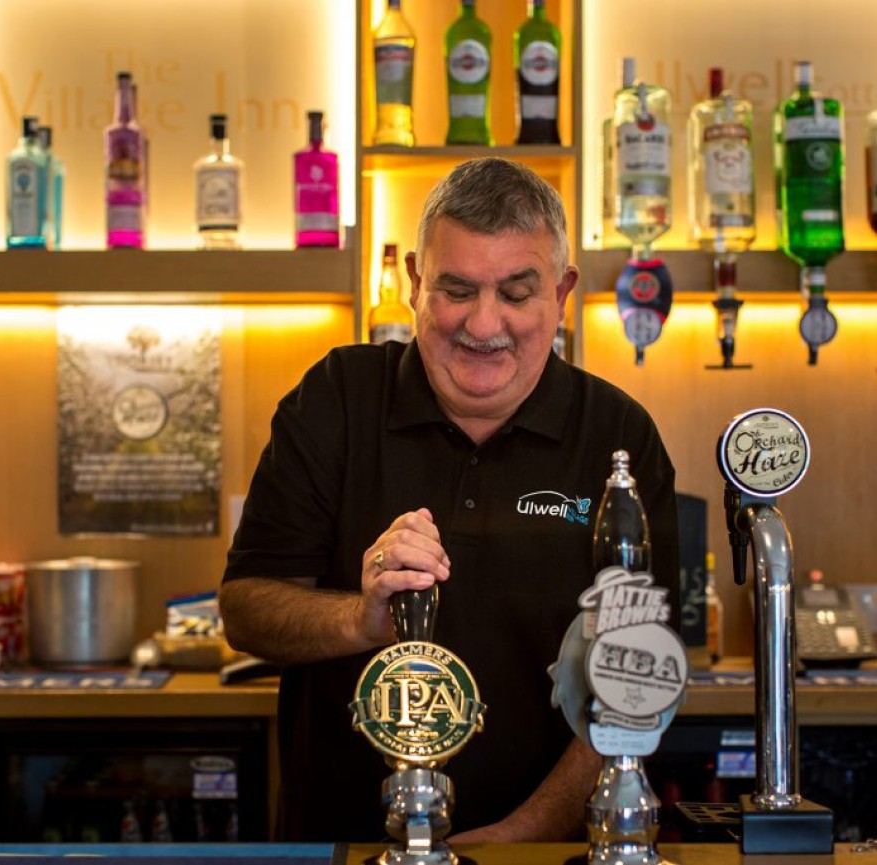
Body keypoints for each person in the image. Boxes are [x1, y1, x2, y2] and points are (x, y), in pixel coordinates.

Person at [219, 156, 679, 843]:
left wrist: (522, 835)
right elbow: (245, 609)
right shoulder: (338, 399)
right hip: (346, 845)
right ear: (412, 281)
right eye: (456, 288)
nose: (482, 323)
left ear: (561, 291)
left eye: (516, 293)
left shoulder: (616, 436)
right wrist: (359, 618)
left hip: (542, 855)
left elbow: (638, 685)